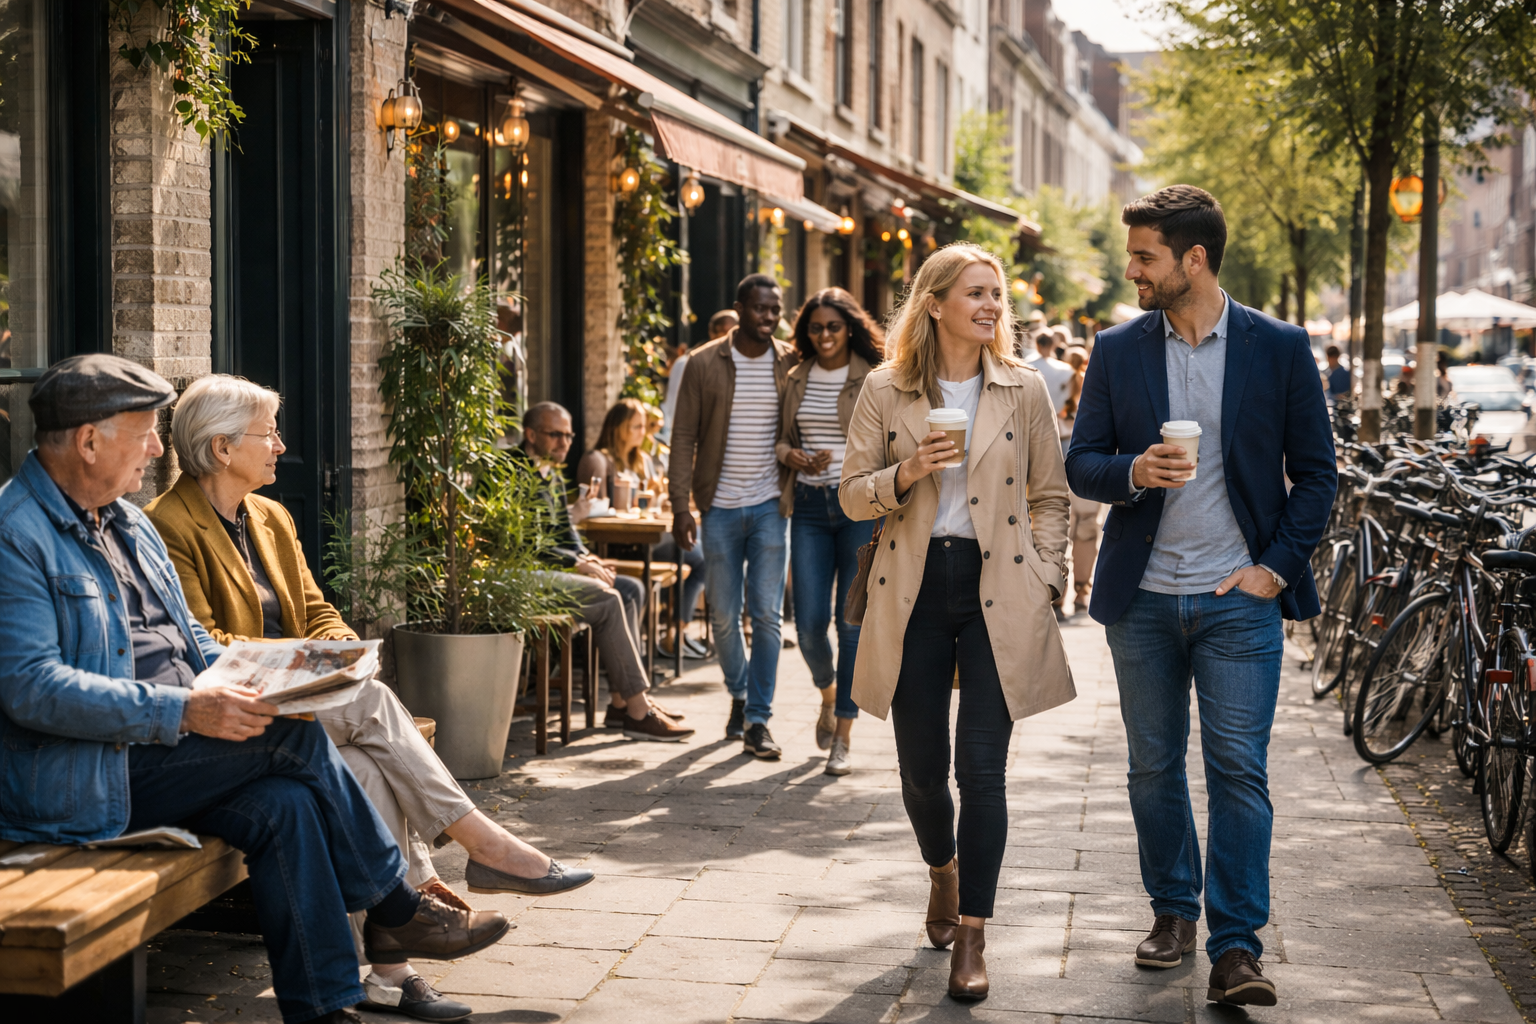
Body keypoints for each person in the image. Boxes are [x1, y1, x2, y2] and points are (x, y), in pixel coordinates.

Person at [0, 355, 508, 1024]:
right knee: (292, 738)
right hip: (89, 777)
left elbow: (195, 641)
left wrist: (262, 681)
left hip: (167, 754)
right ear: (89, 442)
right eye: (144, 432)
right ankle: (398, 905)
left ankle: (326, 1008)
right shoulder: (17, 534)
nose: (157, 449)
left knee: (286, 804)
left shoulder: (128, 524)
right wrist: (187, 709)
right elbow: (31, 688)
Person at [145, 376, 597, 1020]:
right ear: (220, 448)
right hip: (241, 709)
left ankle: (389, 971)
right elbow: (203, 644)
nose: (280, 445)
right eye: (267, 433)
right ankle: (487, 849)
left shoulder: (270, 517)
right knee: (376, 705)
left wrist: (337, 651)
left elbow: (315, 609)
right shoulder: (170, 524)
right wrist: (309, 668)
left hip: (302, 702)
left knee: (362, 764)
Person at [1064, 185, 1336, 1008]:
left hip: (1237, 600)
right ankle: (1173, 913)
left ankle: (1237, 948)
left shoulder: (1280, 348)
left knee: (1238, 773)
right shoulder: (1117, 349)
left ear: (1194, 258)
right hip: (1142, 598)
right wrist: (1134, 472)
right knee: (1152, 770)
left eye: (1145, 256)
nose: (1131, 270)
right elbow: (1082, 462)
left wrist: (1275, 569)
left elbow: (1318, 475)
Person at [839, 244, 1074, 1001]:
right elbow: (848, 496)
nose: (991, 306)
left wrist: (1045, 572)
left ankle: (973, 932)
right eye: (976, 293)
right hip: (911, 590)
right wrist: (904, 474)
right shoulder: (885, 388)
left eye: (996, 295)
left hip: (995, 590)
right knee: (920, 772)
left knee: (983, 771)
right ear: (934, 303)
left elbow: (1050, 494)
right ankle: (942, 871)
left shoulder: (1023, 389)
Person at [669, 276, 795, 758]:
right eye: (760, 309)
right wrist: (681, 504)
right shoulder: (703, 363)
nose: (768, 317)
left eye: (775, 309)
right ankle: (739, 695)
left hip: (769, 505)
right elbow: (683, 438)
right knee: (722, 615)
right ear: (739, 308)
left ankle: (758, 718)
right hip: (717, 505)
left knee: (765, 614)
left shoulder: (790, 362)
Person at [518, 401, 694, 741]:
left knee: (630, 589)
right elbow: (525, 541)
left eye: (568, 436)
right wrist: (575, 562)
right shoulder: (514, 471)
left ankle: (618, 703)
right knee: (608, 597)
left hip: (552, 569)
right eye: (555, 435)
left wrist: (587, 556)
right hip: (522, 575)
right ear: (530, 434)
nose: (564, 443)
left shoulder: (551, 473)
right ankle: (639, 711)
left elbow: (564, 533)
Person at [776, 287, 884, 776]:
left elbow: (890, 438)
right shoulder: (796, 375)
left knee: (851, 623)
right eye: (815, 328)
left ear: (850, 328)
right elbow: (781, 438)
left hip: (859, 506)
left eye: (833, 327)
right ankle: (829, 691)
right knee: (809, 624)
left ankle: (843, 733)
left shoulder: (875, 376)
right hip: (810, 506)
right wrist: (791, 456)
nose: (823, 336)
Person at [578, 399, 706, 659]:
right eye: (636, 426)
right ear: (618, 428)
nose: (643, 432)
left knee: (700, 548)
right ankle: (671, 636)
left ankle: (675, 633)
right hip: (620, 543)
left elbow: (649, 498)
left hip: (647, 536)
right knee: (700, 556)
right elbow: (594, 509)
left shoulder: (641, 460)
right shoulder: (599, 460)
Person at [660, 309, 738, 444]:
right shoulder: (686, 363)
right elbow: (672, 409)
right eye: (723, 333)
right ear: (711, 333)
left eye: (734, 333)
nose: (729, 339)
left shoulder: (744, 366)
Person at [1062, 344, 1100, 615]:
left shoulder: (1040, 374)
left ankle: (1056, 590)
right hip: (1086, 464)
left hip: (1054, 460)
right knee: (1085, 528)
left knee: (1056, 526)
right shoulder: (1090, 380)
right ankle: (1081, 591)